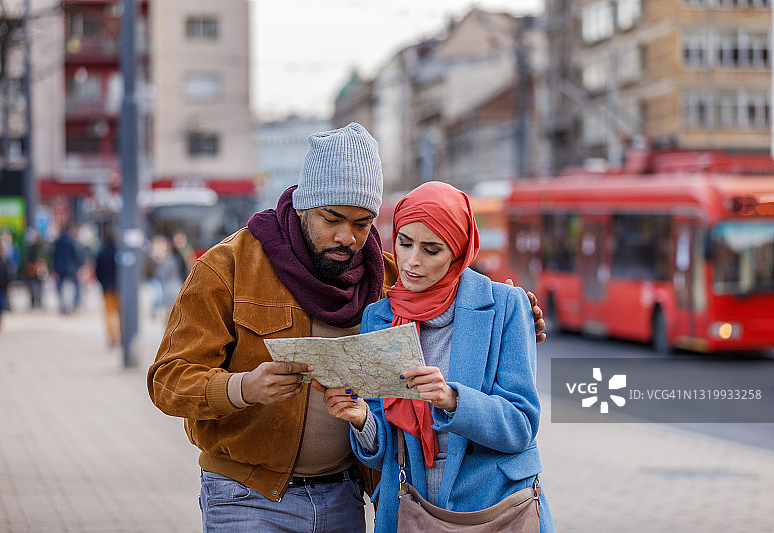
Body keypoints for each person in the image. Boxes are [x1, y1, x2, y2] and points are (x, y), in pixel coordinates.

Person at [147, 123, 545, 533]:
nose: (347, 238)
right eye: (332, 218)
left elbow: (455, 298)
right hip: (249, 494)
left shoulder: (390, 278)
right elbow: (168, 380)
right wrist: (244, 387)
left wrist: (516, 311)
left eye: (362, 223)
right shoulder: (229, 266)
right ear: (303, 205)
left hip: (345, 496)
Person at [319, 181, 554, 532]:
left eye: (431, 250)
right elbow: (384, 445)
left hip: (496, 508)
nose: (412, 262)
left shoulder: (507, 306)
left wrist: (452, 399)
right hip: (412, 505)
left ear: (458, 252)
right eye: (404, 242)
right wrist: (360, 418)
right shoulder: (379, 318)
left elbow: (520, 427)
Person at [95, 229, 121, 348]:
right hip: (120, 287)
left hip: (106, 287)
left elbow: (98, 271)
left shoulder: (102, 252)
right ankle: (122, 335)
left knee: (109, 313)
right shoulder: (119, 251)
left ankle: (112, 337)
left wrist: (102, 282)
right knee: (121, 313)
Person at [52, 222, 83, 314]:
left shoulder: (57, 241)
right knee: (76, 285)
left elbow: (53, 255)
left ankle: (62, 304)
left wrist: (54, 268)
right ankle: (76, 302)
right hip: (71, 267)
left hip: (60, 267)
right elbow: (76, 255)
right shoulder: (72, 241)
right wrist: (79, 266)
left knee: (60, 286)